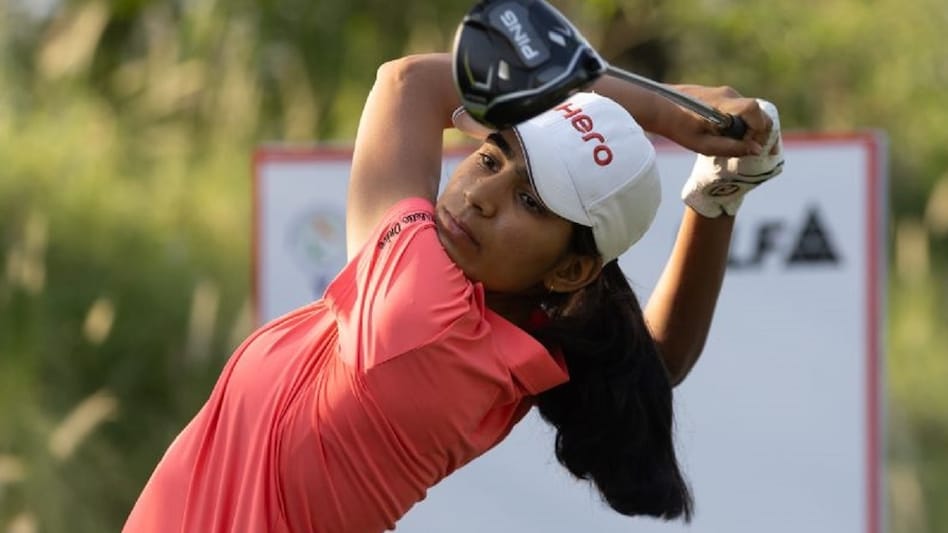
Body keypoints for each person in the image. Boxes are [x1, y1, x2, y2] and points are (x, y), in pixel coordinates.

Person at [124, 52, 782, 532]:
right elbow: (654, 359)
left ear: (572, 271)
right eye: (492, 157)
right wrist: (716, 199)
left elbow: (410, 82)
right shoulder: (517, 342)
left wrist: (665, 105)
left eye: (530, 198)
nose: (479, 196)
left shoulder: (418, 314)